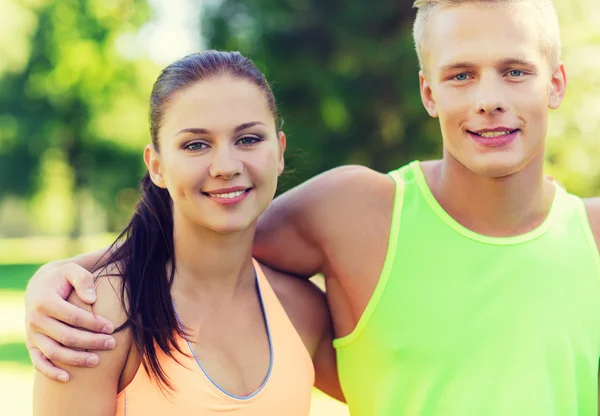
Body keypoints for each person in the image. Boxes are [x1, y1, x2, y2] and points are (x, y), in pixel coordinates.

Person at [25, 0, 600, 414]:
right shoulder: (353, 213)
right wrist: (68, 277)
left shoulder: (592, 235)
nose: (489, 100)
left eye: (516, 71)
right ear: (429, 93)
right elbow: (207, 238)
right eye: (462, 75)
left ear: (555, 83)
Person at [30, 50, 343, 415]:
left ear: (280, 152)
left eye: (249, 139)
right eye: (196, 144)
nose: (226, 166)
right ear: (157, 166)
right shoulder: (97, 316)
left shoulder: (302, 309)